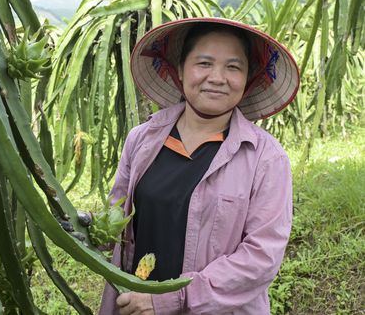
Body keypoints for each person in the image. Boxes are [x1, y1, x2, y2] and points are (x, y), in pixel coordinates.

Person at [98, 17, 300, 315]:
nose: (217, 77)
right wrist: (87, 226)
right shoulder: (141, 140)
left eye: (233, 67)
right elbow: (116, 216)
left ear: (248, 78)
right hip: (133, 306)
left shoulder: (266, 158)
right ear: (180, 69)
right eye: (204, 63)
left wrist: (169, 298)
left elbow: (261, 257)